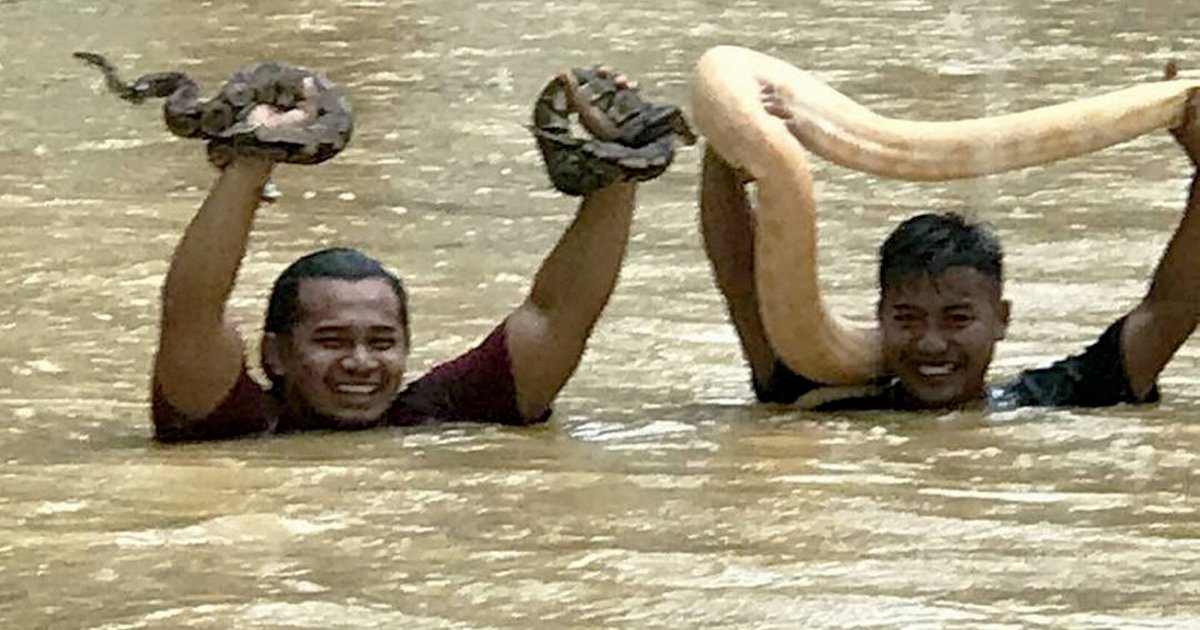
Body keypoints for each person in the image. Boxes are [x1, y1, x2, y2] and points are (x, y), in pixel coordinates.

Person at [152, 68, 666, 441]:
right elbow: (192, 314)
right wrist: (254, 157)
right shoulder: (231, 421)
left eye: (383, 342)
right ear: (275, 355)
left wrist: (619, 167)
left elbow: (558, 316)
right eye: (331, 341)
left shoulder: (434, 416)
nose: (360, 363)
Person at [699, 88, 1200, 411]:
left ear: (1002, 318)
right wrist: (733, 146)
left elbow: (1174, 307)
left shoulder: (1062, 398)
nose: (932, 344)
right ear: (878, 316)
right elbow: (741, 283)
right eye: (908, 318)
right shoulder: (822, 396)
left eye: (957, 319)